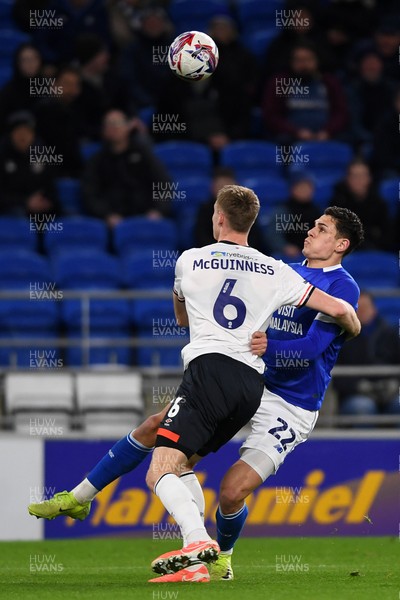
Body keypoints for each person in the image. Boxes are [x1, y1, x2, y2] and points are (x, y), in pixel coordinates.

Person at [28, 192, 361, 583]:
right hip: (251, 383)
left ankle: (220, 555)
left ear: (341, 244)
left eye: (322, 229)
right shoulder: (277, 269)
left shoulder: (342, 285)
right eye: (313, 224)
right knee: (158, 431)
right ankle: (86, 500)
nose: (310, 230)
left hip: (291, 402)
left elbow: (313, 348)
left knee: (232, 491)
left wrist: (276, 346)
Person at [82, 108, 171, 227]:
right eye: (109, 124)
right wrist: (107, 215)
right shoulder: (97, 161)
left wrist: (158, 210)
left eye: (117, 123)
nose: (113, 128)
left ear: (128, 126)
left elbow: (164, 183)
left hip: (146, 216)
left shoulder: (144, 155)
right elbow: (90, 194)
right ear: (103, 130)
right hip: (113, 220)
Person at [262, 41, 348, 143]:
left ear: (317, 61)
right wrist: (296, 132)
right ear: (291, 62)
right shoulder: (281, 82)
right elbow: (271, 116)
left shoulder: (329, 82)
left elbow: (341, 113)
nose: (304, 65)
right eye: (299, 60)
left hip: (326, 136)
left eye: (308, 59)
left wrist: (327, 131)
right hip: (291, 137)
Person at [334, 291, 400, 419]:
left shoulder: (391, 335)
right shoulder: (341, 339)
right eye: (358, 308)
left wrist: (394, 385)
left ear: (374, 310)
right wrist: (360, 387)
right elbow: (337, 378)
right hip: (356, 394)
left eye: (366, 307)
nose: (362, 311)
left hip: (390, 391)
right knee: (362, 407)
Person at [194, 167, 268, 253]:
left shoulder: (246, 207)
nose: (224, 191)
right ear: (213, 188)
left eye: (227, 186)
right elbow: (201, 236)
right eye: (220, 186)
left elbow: (255, 236)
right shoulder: (205, 209)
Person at [0, 111, 59, 217]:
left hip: (39, 210)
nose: (23, 136)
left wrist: (45, 200)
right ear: (11, 135)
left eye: (27, 132)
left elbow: (50, 188)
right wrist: (25, 202)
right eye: (19, 132)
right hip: (10, 209)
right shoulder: (3, 155)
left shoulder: (42, 154)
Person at [330, 159, 391, 250]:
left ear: (369, 178)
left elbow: (387, 234)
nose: (359, 180)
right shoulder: (337, 204)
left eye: (362, 175)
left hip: (375, 249)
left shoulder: (379, 203)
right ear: (347, 179)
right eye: (355, 176)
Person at [0, 44, 44, 135]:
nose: (30, 63)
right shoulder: (7, 93)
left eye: (34, 59)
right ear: (17, 63)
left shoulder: (47, 88)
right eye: (25, 60)